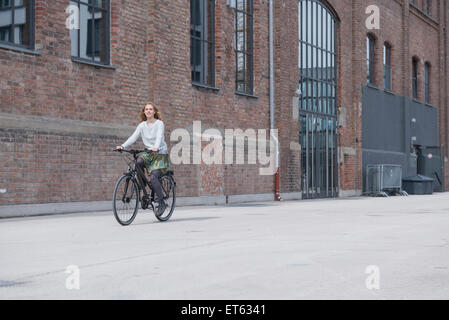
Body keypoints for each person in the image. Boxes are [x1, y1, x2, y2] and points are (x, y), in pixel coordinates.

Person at [116, 103, 170, 215]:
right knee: (138, 162)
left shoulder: (159, 124)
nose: (149, 111)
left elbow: (159, 136)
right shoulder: (142, 125)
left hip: (159, 152)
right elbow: (133, 137)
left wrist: (156, 146)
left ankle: (161, 202)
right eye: (147, 109)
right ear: (144, 112)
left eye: (151, 109)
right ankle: (143, 185)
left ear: (154, 112)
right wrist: (123, 146)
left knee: (154, 176)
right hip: (148, 152)